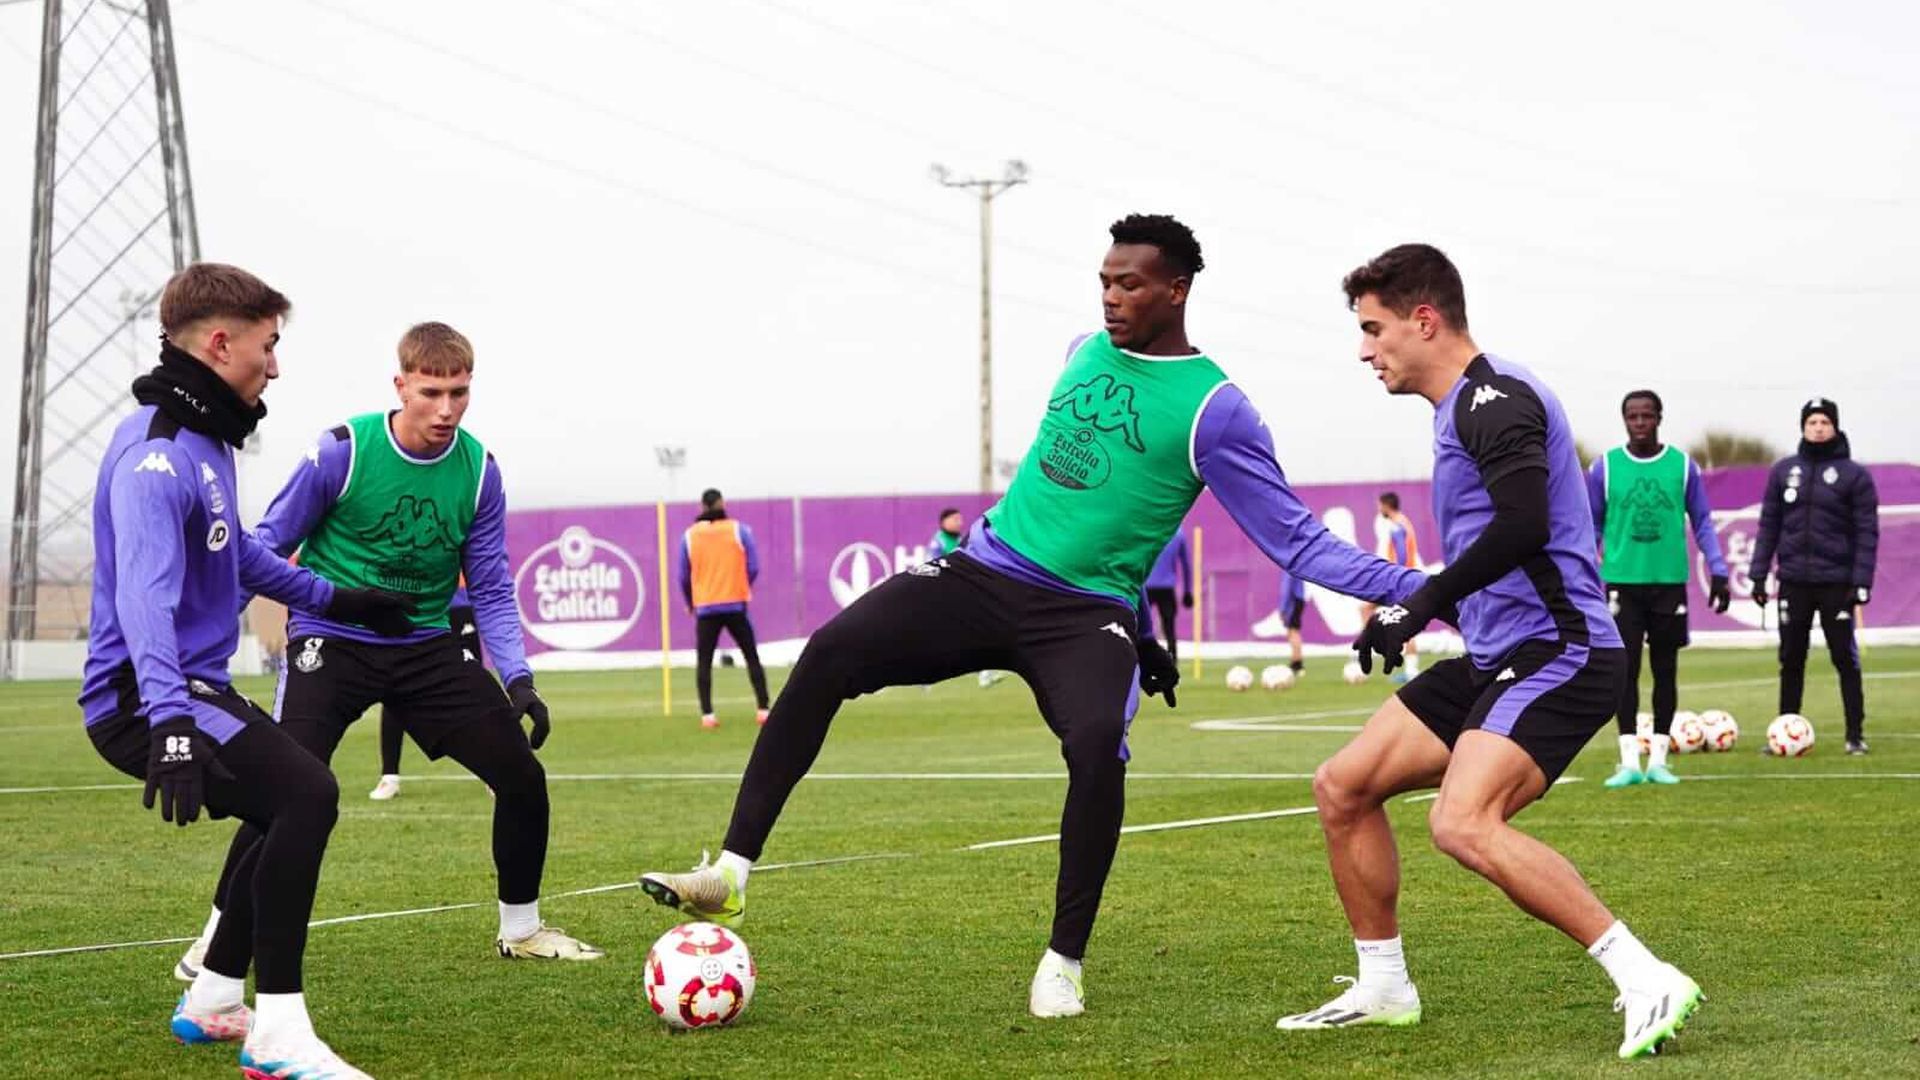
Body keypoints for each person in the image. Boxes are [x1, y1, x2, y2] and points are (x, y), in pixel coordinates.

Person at [641, 214, 1424, 1020]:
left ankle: (1063, 962)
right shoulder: (1080, 351)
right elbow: (1079, 502)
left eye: (1131, 284)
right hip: (982, 571)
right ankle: (731, 874)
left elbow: (1294, 538)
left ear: (1177, 289)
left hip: (1082, 616)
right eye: (1105, 282)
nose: (1113, 298)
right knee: (830, 651)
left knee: (1095, 746)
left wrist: (1422, 587)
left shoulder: (1215, 411)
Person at [1277, 244, 1701, 1060]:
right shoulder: (1458, 409)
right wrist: (1425, 610)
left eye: (1374, 329)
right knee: (1342, 786)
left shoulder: (1493, 399)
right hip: (1499, 652)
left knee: (1462, 822)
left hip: (1562, 648)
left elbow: (1523, 526)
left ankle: (1646, 976)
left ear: (1424, 320)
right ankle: (1384, 986)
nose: (1366, 350)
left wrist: (1422, 602)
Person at [174, 321, 603, 979]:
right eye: (432, 392)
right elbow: (259, 549)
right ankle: (214, 940)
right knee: (286, 787)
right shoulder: (342, 453)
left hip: (425, 645)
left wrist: (518, 679)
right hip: (331, 637)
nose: (447, 409)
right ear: (401, 385)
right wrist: (200, 659)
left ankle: (522, 928)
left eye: (460, 392)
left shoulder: (479, 472)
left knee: (521, 775)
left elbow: (489, 583)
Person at [83, 263, 415, 1078]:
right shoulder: (155, 455)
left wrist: (344, 597)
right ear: (222, 342)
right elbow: (145, 601)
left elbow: (244, 563)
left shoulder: (208, 439)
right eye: (269, 345)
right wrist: (166, 722)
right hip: (145, 696)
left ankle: (213, 997)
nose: (277, 364)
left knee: (285, 801)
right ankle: (278, 1037)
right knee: (307, 794)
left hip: (194, 688)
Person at [1588, 390, 1731, 787]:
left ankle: (1661, 761)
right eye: (1632, 416)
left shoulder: (1682, 466)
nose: (1639, 423)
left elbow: (1702, 520)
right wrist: (1582, 572)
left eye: (1646, 416)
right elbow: (1592, 527)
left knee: (1665, 671)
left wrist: (1718, 570)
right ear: (1624, 420)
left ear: (1659, 418)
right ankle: (1630, 761)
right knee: (1624, 671)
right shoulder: (1605, 467)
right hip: (1621, 583)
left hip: (1668, 583)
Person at [1749, 397, 1879, 754]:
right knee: (1791, 657)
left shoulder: (1854, 475)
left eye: (1824, 422)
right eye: (1812, 422)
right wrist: (1759, 575)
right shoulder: (1783, 471)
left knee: (1844, 658)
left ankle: (1855, 735)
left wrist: (1861, 582)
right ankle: (1784, 732)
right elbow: (1769, 525)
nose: (1818, 428)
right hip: (1793, 581)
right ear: (1803, 427)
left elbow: (1867, 532)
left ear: (1835, 426)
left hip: (1837, 582)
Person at [369, 579, 477, 800]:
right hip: (415, 598)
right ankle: (390, 776)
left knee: (473, 684)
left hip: (460, 599)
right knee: (395, 686)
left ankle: (492, 773)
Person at [681, 488, 772, 729]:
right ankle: (763, 709)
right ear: (722, 503)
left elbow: (683, 574)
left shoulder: (690, 536)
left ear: (702, 507)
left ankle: (707, 715)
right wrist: (742, 586)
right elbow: (753, 565)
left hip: (705, 607)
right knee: (751, 656)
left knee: (704, 661)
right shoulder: (739, 530)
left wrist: (690, 601)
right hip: (735, 604)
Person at [1370, 493, 1423, 682]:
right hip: (1406, 577)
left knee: (1404, 621)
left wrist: (1397, 575)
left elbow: (1401, 551)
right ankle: (1409, 668)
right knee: (1370, 609)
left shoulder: (1396, 525)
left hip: (1401, 580)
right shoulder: (1403, 521)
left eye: (1380, 506)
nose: (1378, 510)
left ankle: (1410, 670)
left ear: (1386, 506)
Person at [1143, 532, 1194, 660]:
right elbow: (1186, 565)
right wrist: (1188, 591)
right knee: (1169, 629)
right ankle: (1172, 665)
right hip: (1166, 588)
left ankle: (1137, 663)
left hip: (1145, 587)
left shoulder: (1147, 528)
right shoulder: (1178, 533)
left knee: (1139, 627)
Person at [1278, 569, 1307, 675]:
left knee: (1293, 631)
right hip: (1298, 599)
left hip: (1293, 600)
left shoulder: (1288, 567)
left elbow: (1286, 588)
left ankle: (1297, 663)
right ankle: (1295, 660)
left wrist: (1283, 608)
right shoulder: (1295, 566)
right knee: (1292, 631)